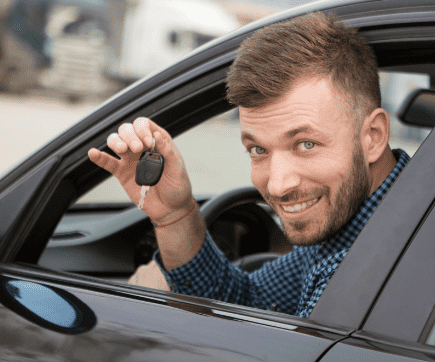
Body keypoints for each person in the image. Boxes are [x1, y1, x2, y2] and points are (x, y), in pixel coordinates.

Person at [87, 11, 409, 318]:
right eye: (258, 149)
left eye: (305, 144)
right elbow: (247, 301)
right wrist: (175, 215)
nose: (278, 184)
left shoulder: (395, 265)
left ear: (373, 137)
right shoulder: (351, 226)